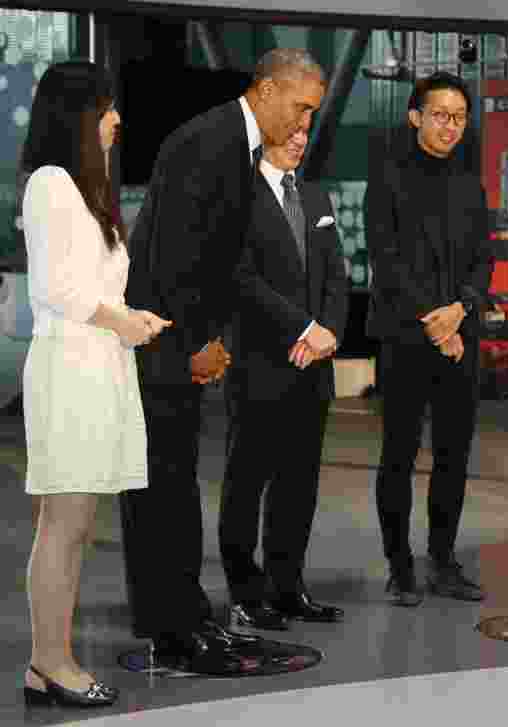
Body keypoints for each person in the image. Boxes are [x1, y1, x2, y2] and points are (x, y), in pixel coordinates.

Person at [120, 49, 325, 674]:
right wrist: (194, 347)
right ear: (265, 90)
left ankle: (186, 618)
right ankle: (174, 628)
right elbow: (179, 259)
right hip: (163, 345)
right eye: (300, 107)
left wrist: (216, 340)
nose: (302, 124)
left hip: (179, 342)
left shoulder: (232, 145)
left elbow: (219, 264)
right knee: (162, 491)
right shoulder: (209, 143)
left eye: (313, 112)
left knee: (176, 487)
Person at [19, 61, 171, 707]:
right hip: (72, 366)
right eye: (108, 106)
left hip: (96, 362)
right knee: (63, 523)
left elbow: (91, 284)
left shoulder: (82, 188)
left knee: (73, 524)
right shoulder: (52, 183)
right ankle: (52, 661)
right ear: (81, 113)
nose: (117, 118)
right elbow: (55, 288)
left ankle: (46, 661)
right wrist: (123, 319)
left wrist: (128, 318)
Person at [365, 71, 495, 607]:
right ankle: (400, 568)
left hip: (459, 338)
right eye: (440, 115)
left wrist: (461, 309)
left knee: (453, 456)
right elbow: (387, 262)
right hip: (405, 337)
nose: (450, 126)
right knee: (398, 455)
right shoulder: (387, 180)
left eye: (459, 117)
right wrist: (434, 319)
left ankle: (442, 561)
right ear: (415, 116)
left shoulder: (470, 183)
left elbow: (485, 258)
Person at [219, 127, 348, 631]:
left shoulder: (314, 194)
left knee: (299, 485)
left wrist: (329, 331)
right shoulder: (238, 195)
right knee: (246, 483)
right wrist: (304, 327)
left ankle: (287, 587)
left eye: (307, 129)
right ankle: (244, 594)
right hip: (260, 364)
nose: (301, 138)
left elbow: (337, 274)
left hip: (313, 367)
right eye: (291, 128)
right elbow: (239, 277)